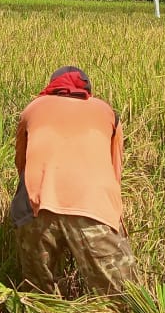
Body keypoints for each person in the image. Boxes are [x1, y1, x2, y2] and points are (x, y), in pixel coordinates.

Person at [13, 66, 135, 296]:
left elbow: (21, 164)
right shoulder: (107, 112)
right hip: (93, 207)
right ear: (87, 90)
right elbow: (115, 170)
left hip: (36, 207)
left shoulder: (33, 108)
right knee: (124, 297)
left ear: (52, 87)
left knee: (39, 296)